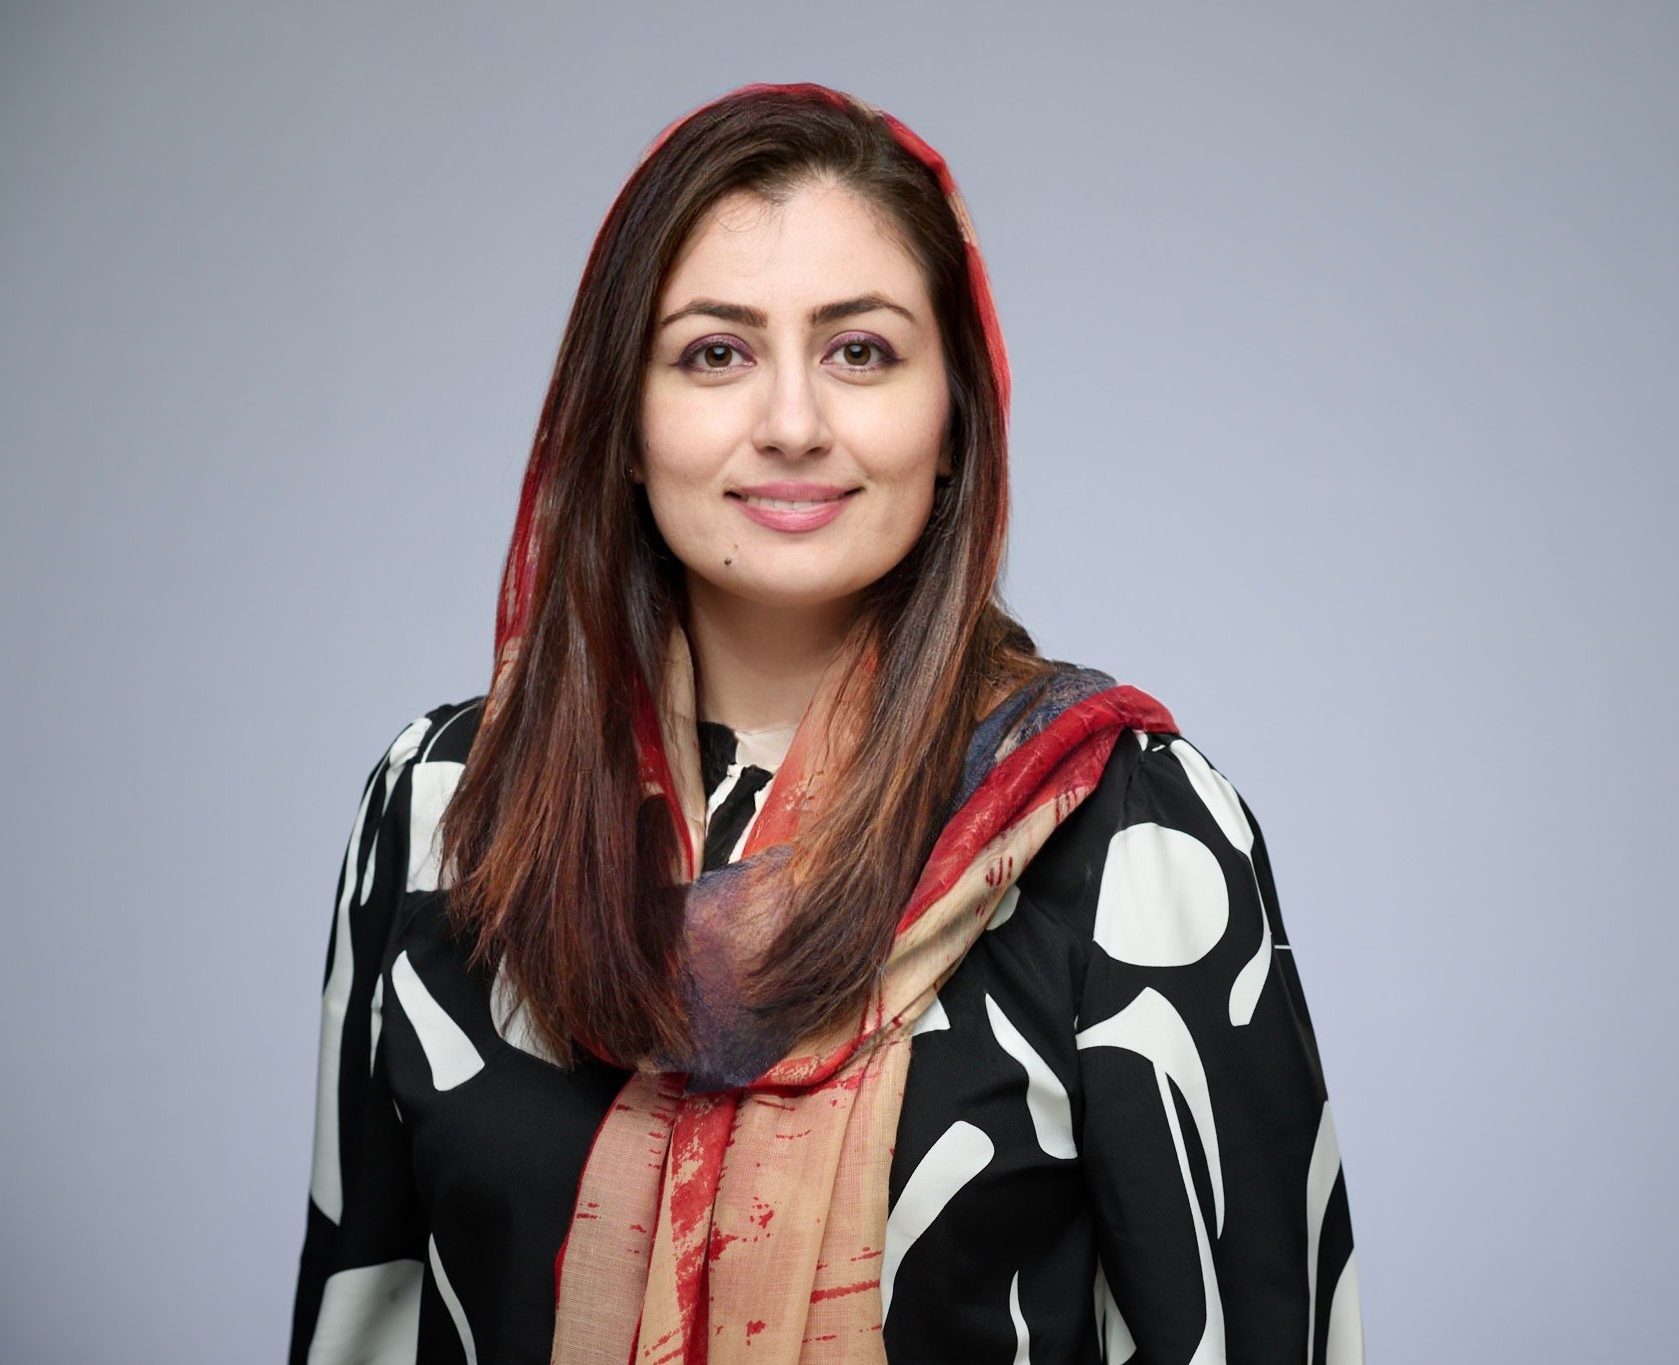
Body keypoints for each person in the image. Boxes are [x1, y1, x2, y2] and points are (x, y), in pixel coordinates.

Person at [287, 82, 1364, 1365]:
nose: (792, 425)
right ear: (620, 422)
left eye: (859, 352)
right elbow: (360, 1318)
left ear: (954, 415)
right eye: (714, 353)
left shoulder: (1124, 828)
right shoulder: (448, 808)